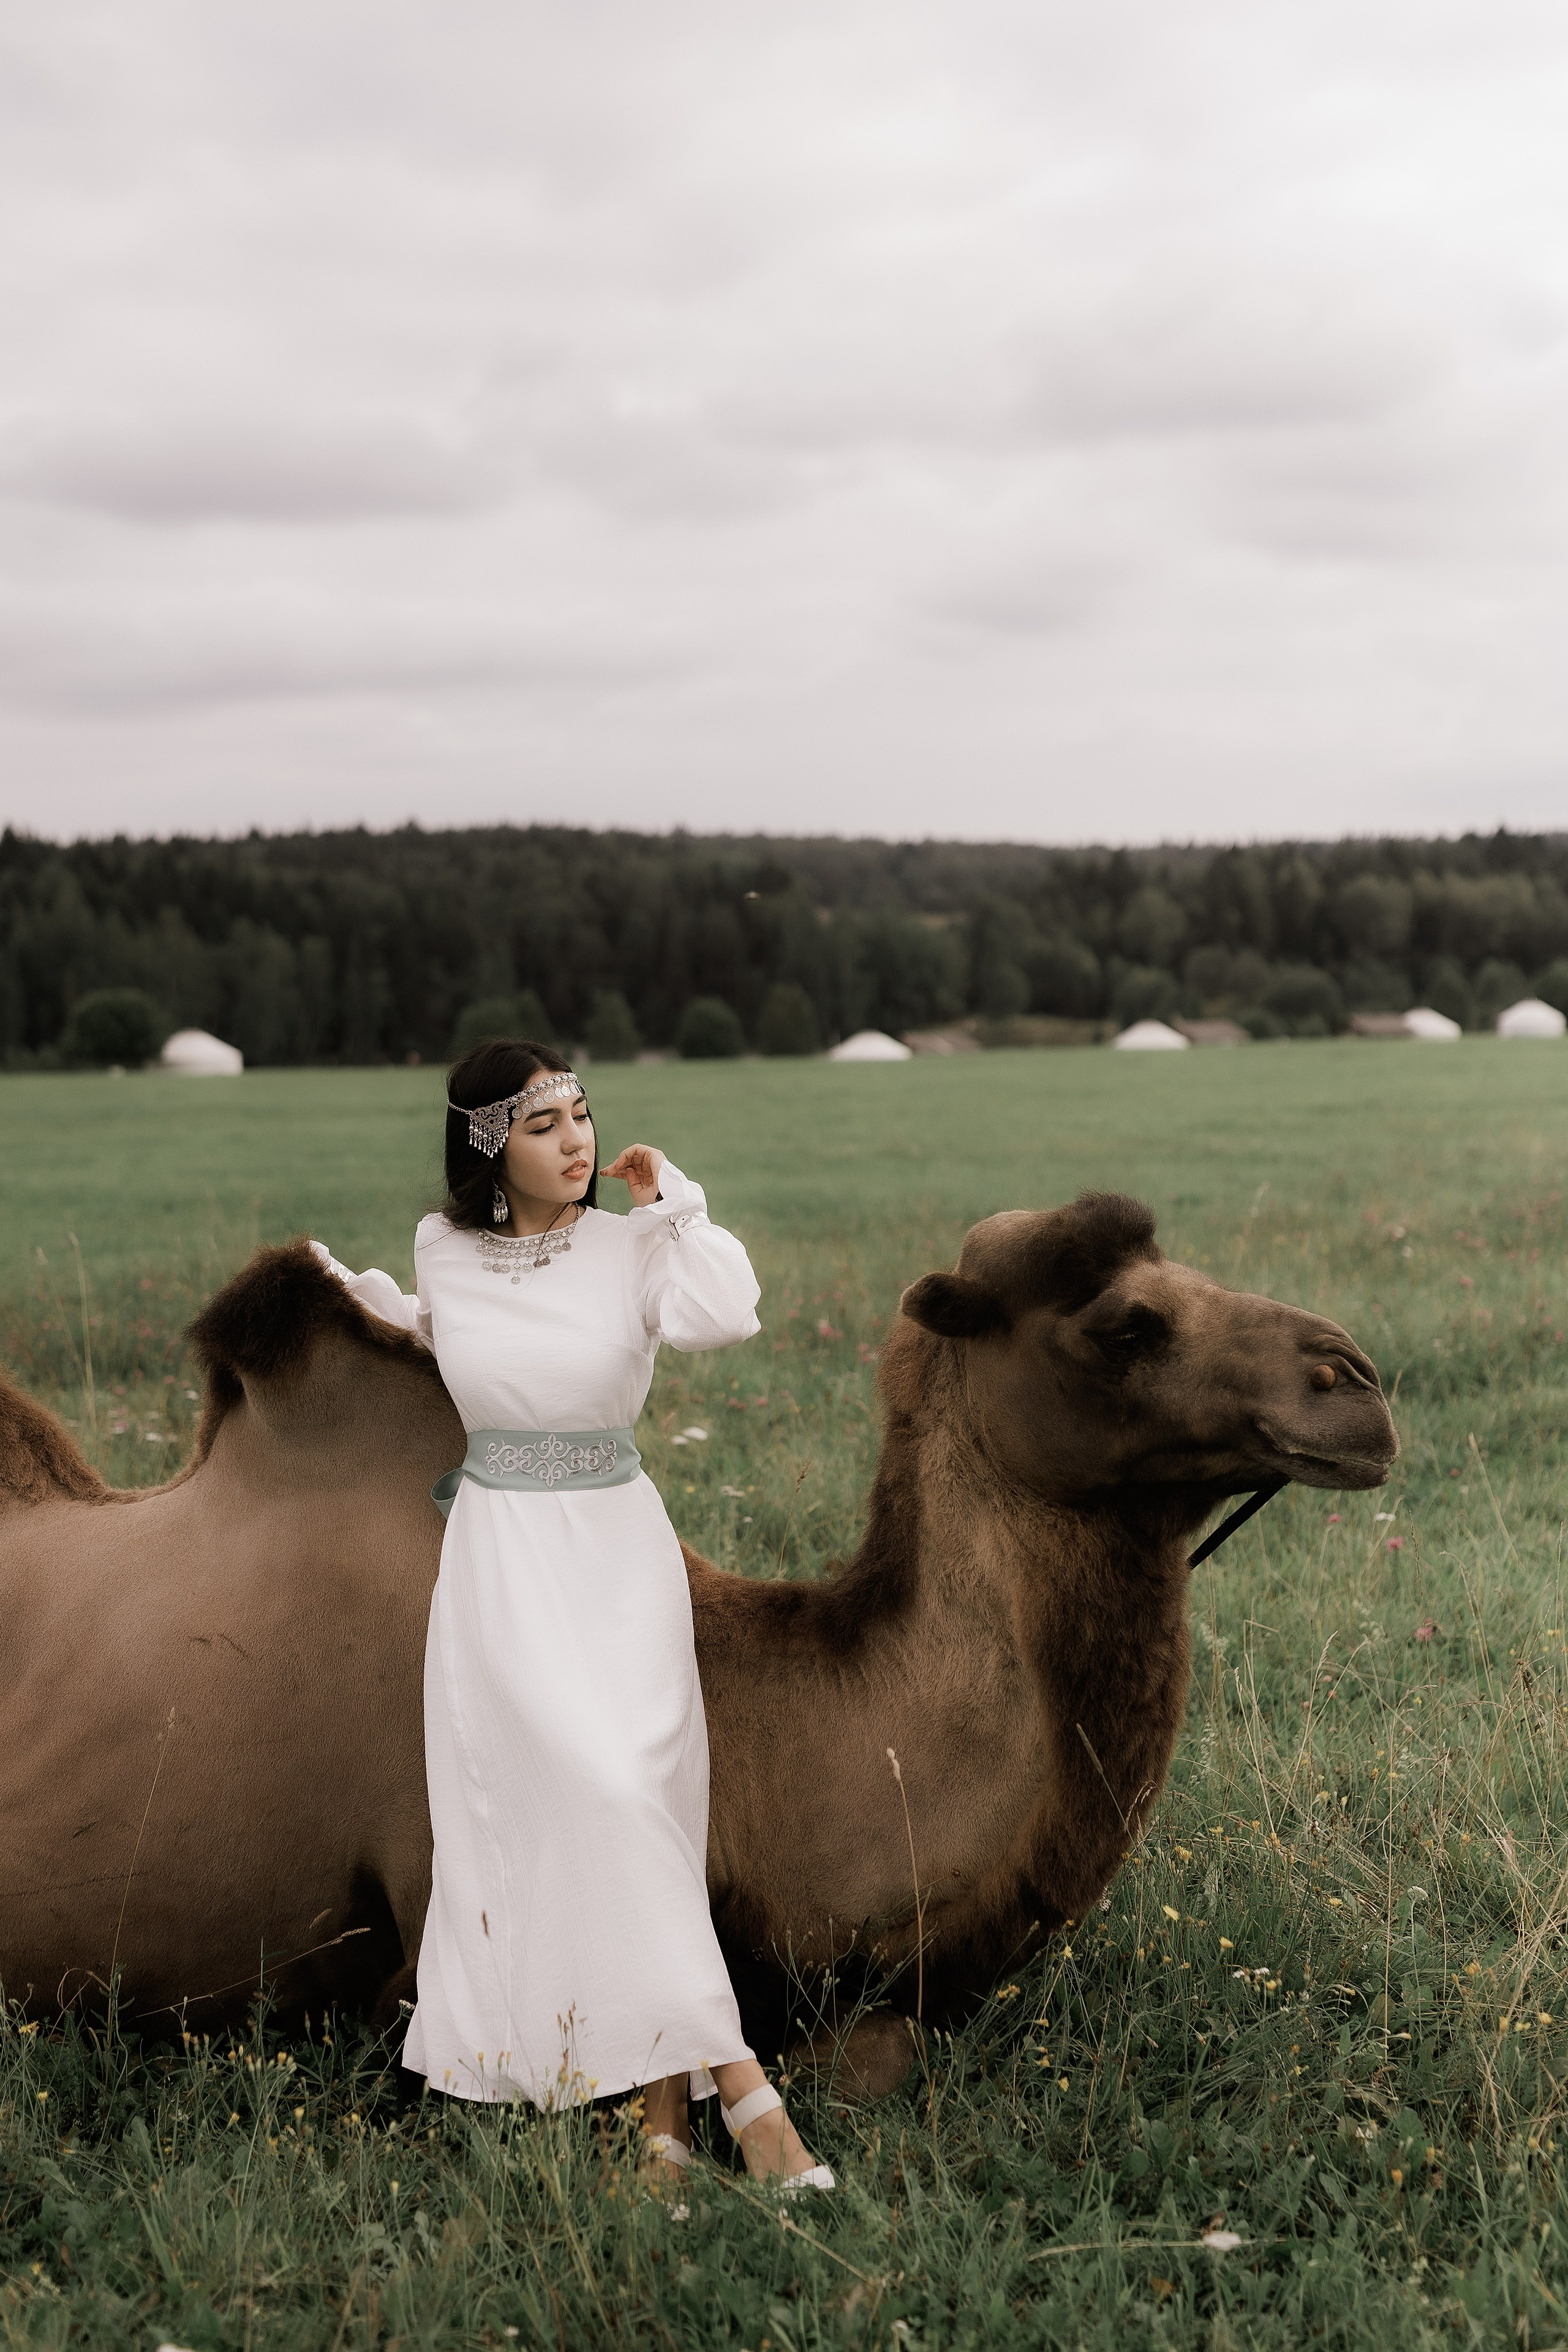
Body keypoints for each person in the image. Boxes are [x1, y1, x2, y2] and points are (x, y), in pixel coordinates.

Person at [312, 1036, 832, 2193]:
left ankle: (665, 2130)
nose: (579, 1141)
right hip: (501, 1561)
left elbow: (727, 1314)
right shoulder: (443, 1248)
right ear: (491, 1146)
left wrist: (676, 1204)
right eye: (545, 1126)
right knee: (594, 1796)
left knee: (639, 1807)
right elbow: (441, 1340)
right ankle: (745, 2091)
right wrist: (351, 1298)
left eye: (584, 1116)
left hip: (616, 1553)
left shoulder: (637, 1243)